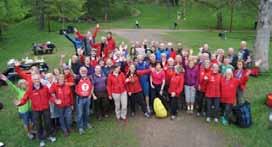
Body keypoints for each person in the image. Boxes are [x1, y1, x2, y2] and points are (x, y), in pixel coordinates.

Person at [15, 74, 57, 147]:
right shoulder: (30, 90)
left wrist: (54, 100)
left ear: (40, 79)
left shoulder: (45, 87)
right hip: (36, 110)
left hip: (45, 108)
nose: (36, 80)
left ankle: (50, 135)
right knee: (38, 125)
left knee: (48, 122)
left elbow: (49, 96)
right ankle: (41, 139)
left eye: (37, 79)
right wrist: (20, 103)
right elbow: (25, 99)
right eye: (35, 79)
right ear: (32, 80)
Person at [0, 74, 34, 139]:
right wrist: (6, 80)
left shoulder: (28, 90)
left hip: (31, 109)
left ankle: (31, 130)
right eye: (23, 84)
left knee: (32, 121)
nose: (25, 84)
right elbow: (12, 86)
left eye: (25, 83)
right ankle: (28, 133)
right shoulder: (18, 91)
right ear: (20, 85)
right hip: (23, 111)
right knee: (26, 123)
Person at [75, 66, 94, 135]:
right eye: (82, 70)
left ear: (87, 71)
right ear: (80, 71)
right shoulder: (77, 78)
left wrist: (90, 95)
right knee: (80, 114)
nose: (83, 72)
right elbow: (71, 74)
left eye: (85, 70)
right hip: (80, 99)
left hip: (87, 98)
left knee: (87, 112)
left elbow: (92, 86)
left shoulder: (89, 78)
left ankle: (87, 123)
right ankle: (80, 127)